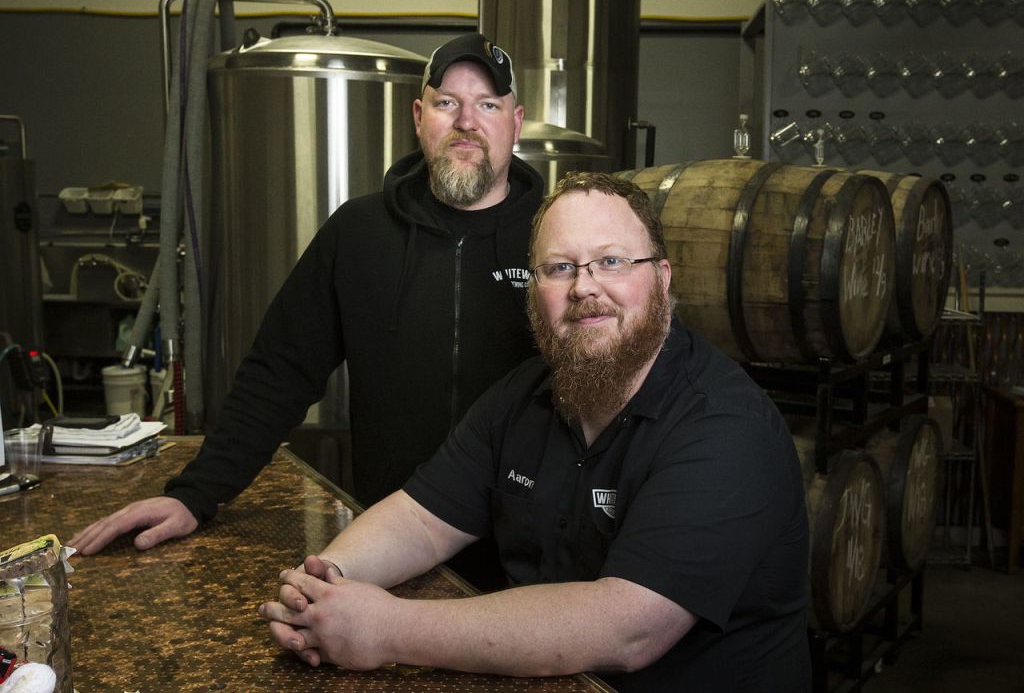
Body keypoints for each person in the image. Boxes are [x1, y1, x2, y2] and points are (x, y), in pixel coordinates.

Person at [258, 172, 811, 692]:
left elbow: (629, 627)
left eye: (611, 261)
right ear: (534, 290)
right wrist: (324, 583)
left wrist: (385, 628)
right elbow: (421, 521)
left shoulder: (726, 427)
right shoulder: (524, 394)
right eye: (560, 268)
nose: (585, 287)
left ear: (662, 279)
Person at [70, 34, 543, 581]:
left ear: (516, 123)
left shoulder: (555, 239)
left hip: (525, 555)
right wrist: (194, 494)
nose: (466, 121)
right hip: (390, 547)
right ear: (419, 117)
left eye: (488, 105)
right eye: (447, 103)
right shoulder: (361, 233)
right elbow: (279, 372)